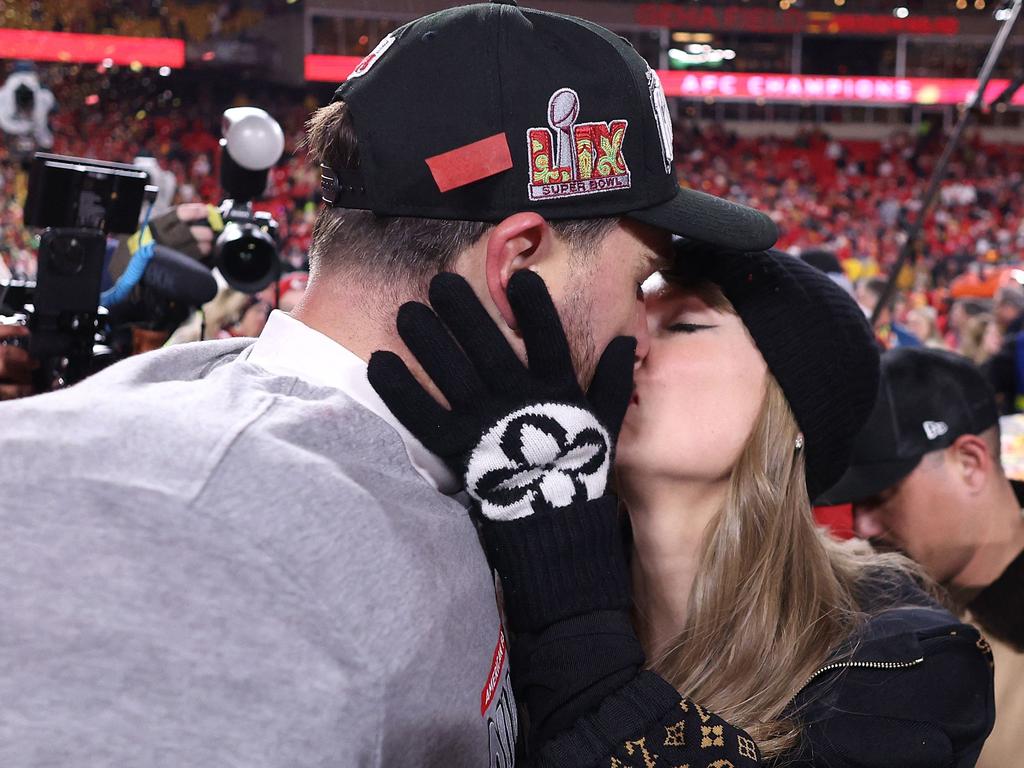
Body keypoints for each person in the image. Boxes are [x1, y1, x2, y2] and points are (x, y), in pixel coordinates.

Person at [0, 4, 777, 766]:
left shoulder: (403, 470)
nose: (638, 338)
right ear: (519, 266)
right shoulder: (194, 534)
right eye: (638, 284)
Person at [609, 249, 991, 765]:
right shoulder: (511, 594)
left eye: (683, 326)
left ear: (789, 407)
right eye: (626, 315)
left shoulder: (899, 669)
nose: (626, 344)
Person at [819, 346, 1023, 766]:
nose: (864, 526)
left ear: (969, 463)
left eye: (882, 495)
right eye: (856, 502)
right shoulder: (852, 592)